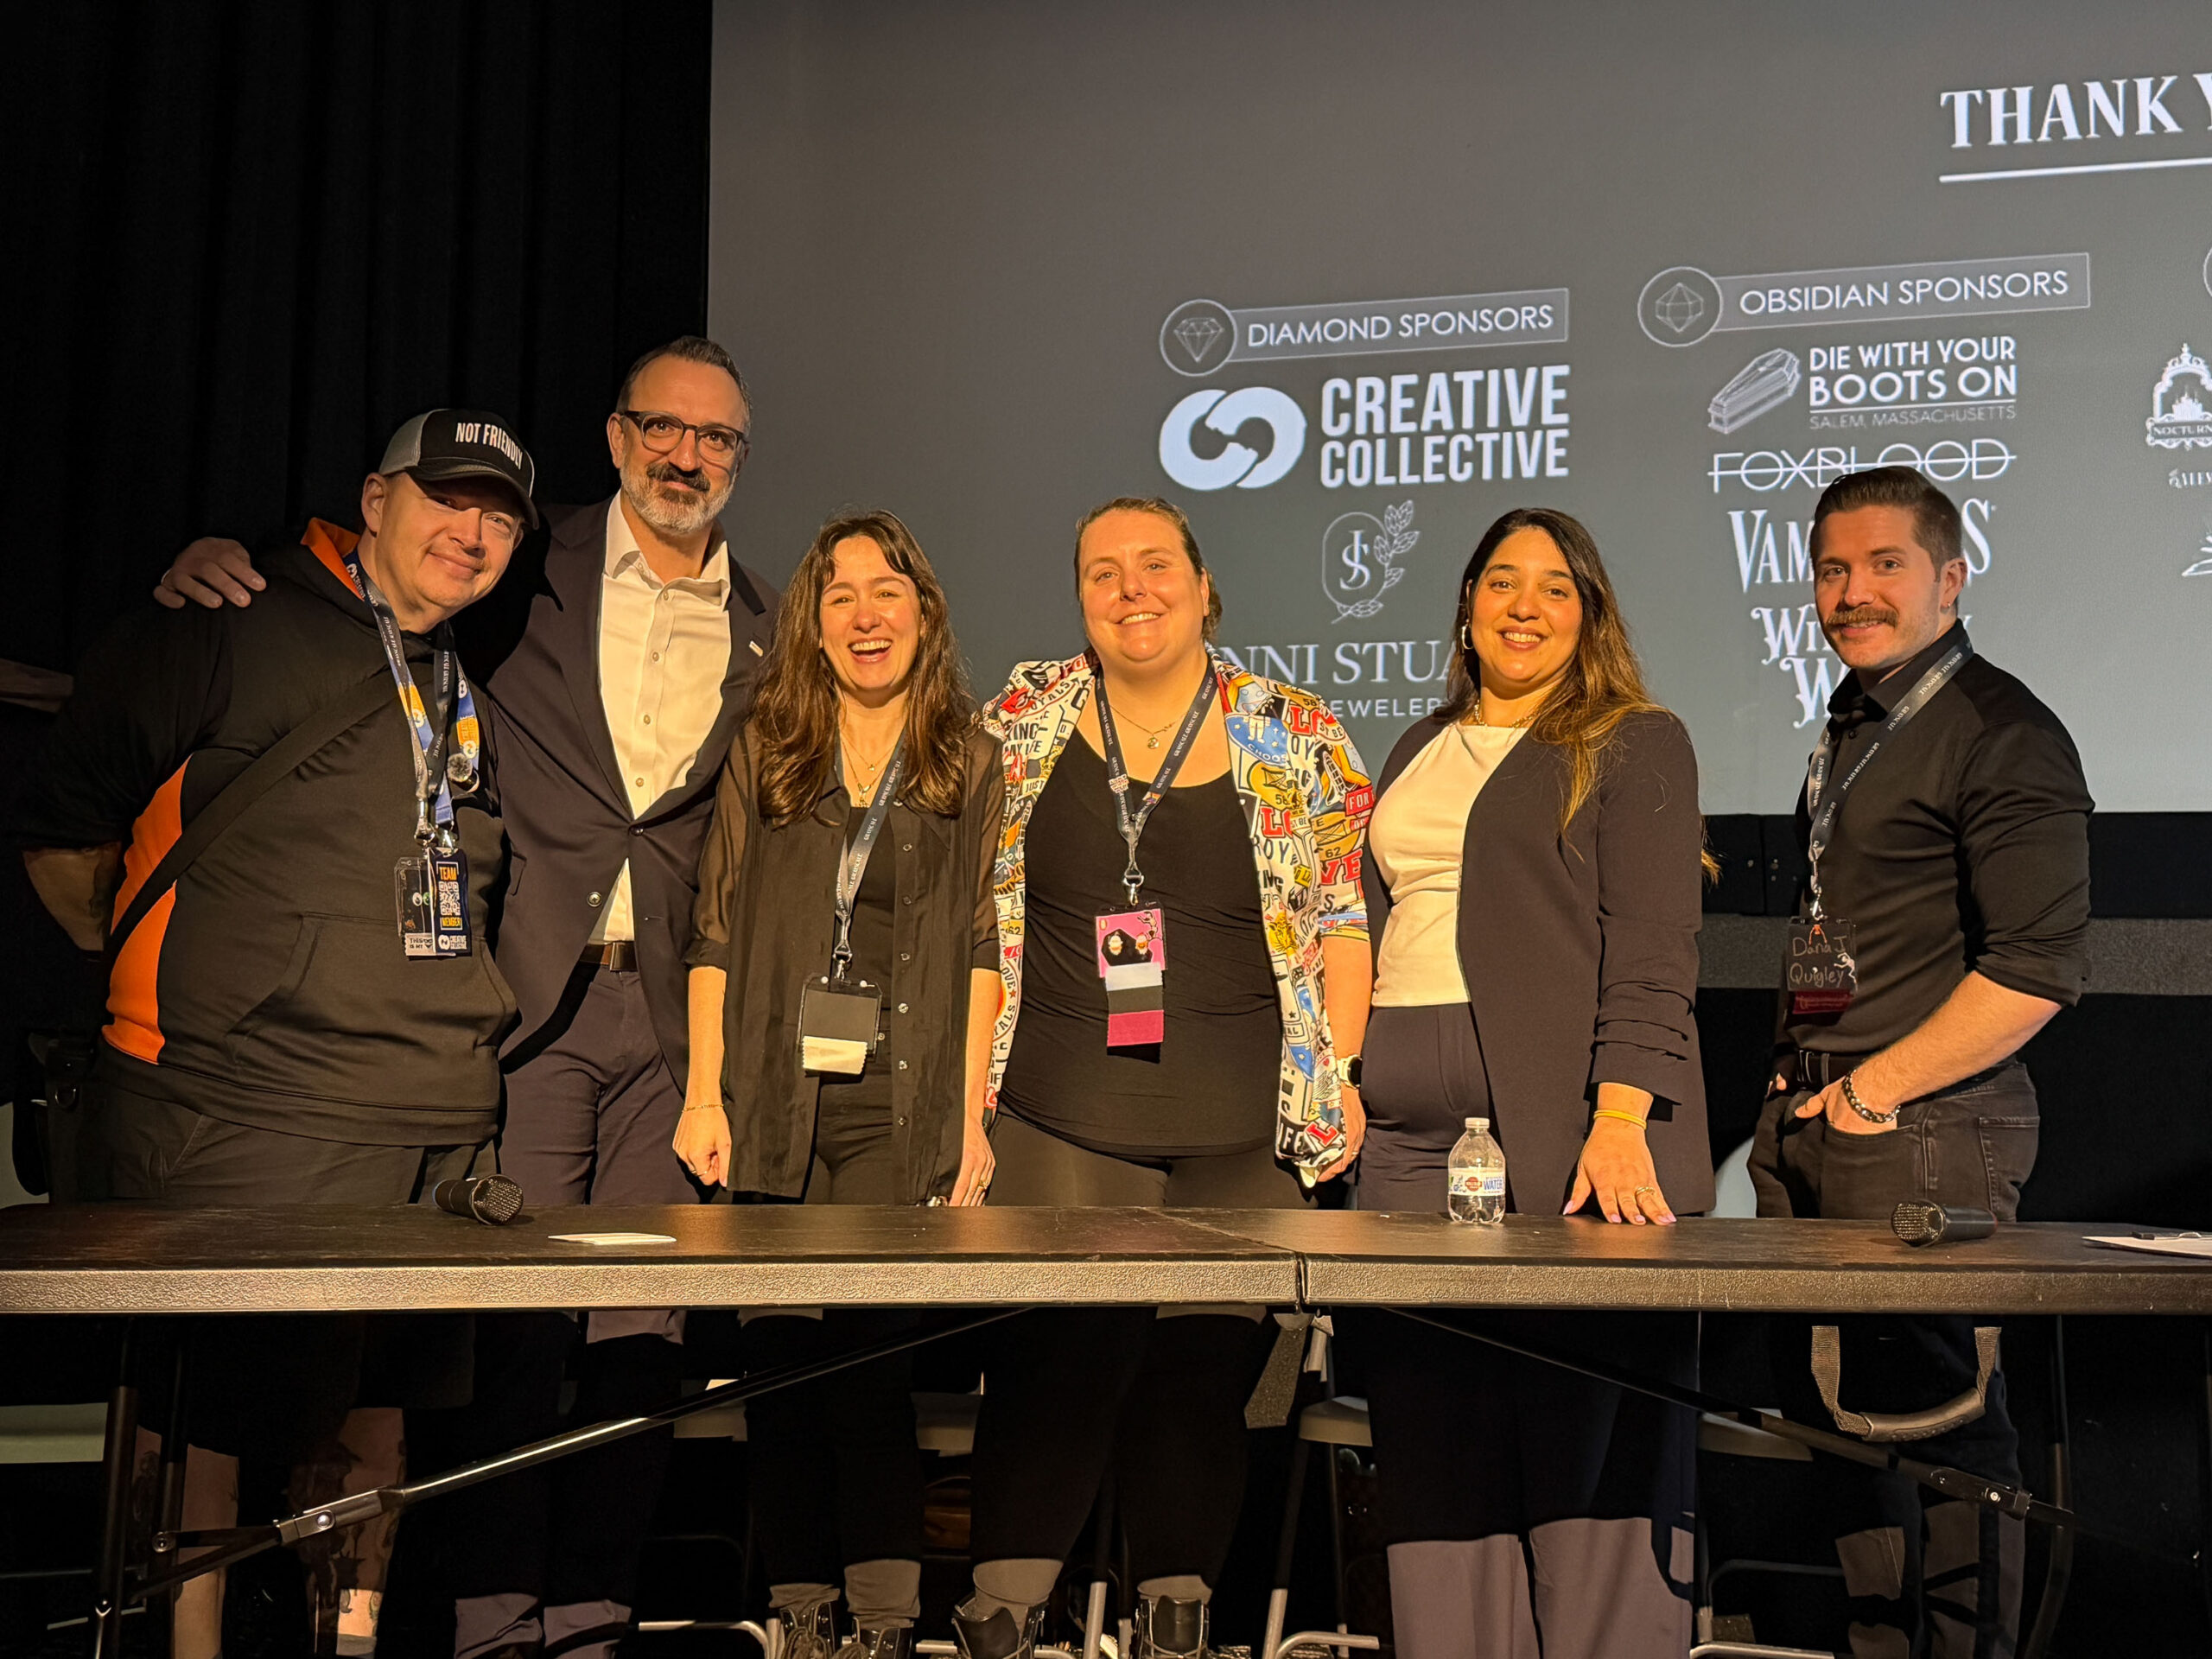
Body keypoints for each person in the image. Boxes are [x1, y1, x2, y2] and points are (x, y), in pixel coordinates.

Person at [158, 336, 779, 1659]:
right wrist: (225, 564)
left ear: (741, 456)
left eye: (716, 437)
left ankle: (595, 1621)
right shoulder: (524, 563)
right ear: (616, 437)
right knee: (507, 1336)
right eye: (662, 428)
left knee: (640, 1344)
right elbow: (378, 586)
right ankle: (495, 1625)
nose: (686, 457)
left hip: (672, 1030)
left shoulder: (770, 624)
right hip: (522, 1005)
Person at [15, 408, 537, 1659]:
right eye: (446, 499)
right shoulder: (224, 619)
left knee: (378, 1420)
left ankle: (343, 1649)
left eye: (499, 517)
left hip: (428, 1122)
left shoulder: (460, 673)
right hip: (238, 1114)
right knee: (207, 1422)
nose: (471, 533)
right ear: (376, 500)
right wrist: (178, 986)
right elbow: (67, 828)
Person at [955, 496, 1373, 1659]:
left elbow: (1342, 923)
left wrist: (1338, 1075)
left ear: (1202, 587)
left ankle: (1174, 1633)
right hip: (1059, 1119)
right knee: (1056, 1369)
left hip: (1243, 1135)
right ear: (1079, 596)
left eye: (1154, 566)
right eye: (1103, 571)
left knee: (1200, 1382)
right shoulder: (1023, 720)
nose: (1131, 589)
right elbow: (973, 925)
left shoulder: (1295, 730)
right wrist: (965, 1111)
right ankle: (1001, 1625)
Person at [1342, 506, 1710, 1657]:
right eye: (1502, 581)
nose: (1525, 606)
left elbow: (1654, 950)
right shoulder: (1417, 746)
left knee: (1583, 1464)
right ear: (1467, 607)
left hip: (1568, 1145)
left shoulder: (1633, 741)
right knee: (1435, 1468)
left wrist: (1621, 1120)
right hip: (1406, 1152)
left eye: (1557, 587)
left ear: (1589, 616)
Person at [1750, 465, 2091, 1658]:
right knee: (1842, 1432)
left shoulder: (2003, 732)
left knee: (1945, 1433)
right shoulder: (1857, 720)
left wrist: (1873, 1091)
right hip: (1823, 1122)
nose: (1853, 592)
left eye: (1884, 564)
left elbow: (2037, 970)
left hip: (1924, 1131)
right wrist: (1807, 1091)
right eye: (1832, 570)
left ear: (1951, 578)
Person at [676, 509, 1002, 1659]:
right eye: (841, 595)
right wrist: (704, 1094)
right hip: (771, 1097)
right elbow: (715, 931)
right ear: (812, 624)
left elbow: (981, 946)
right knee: (779, 1371)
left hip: (896, 1109)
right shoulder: (769, 749)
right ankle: (803, 1617)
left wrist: (972, 1119)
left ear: (924, 613)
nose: (866, 615)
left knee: (864, 1373)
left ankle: (883, 1627)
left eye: (887, 590)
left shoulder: (967, 759)